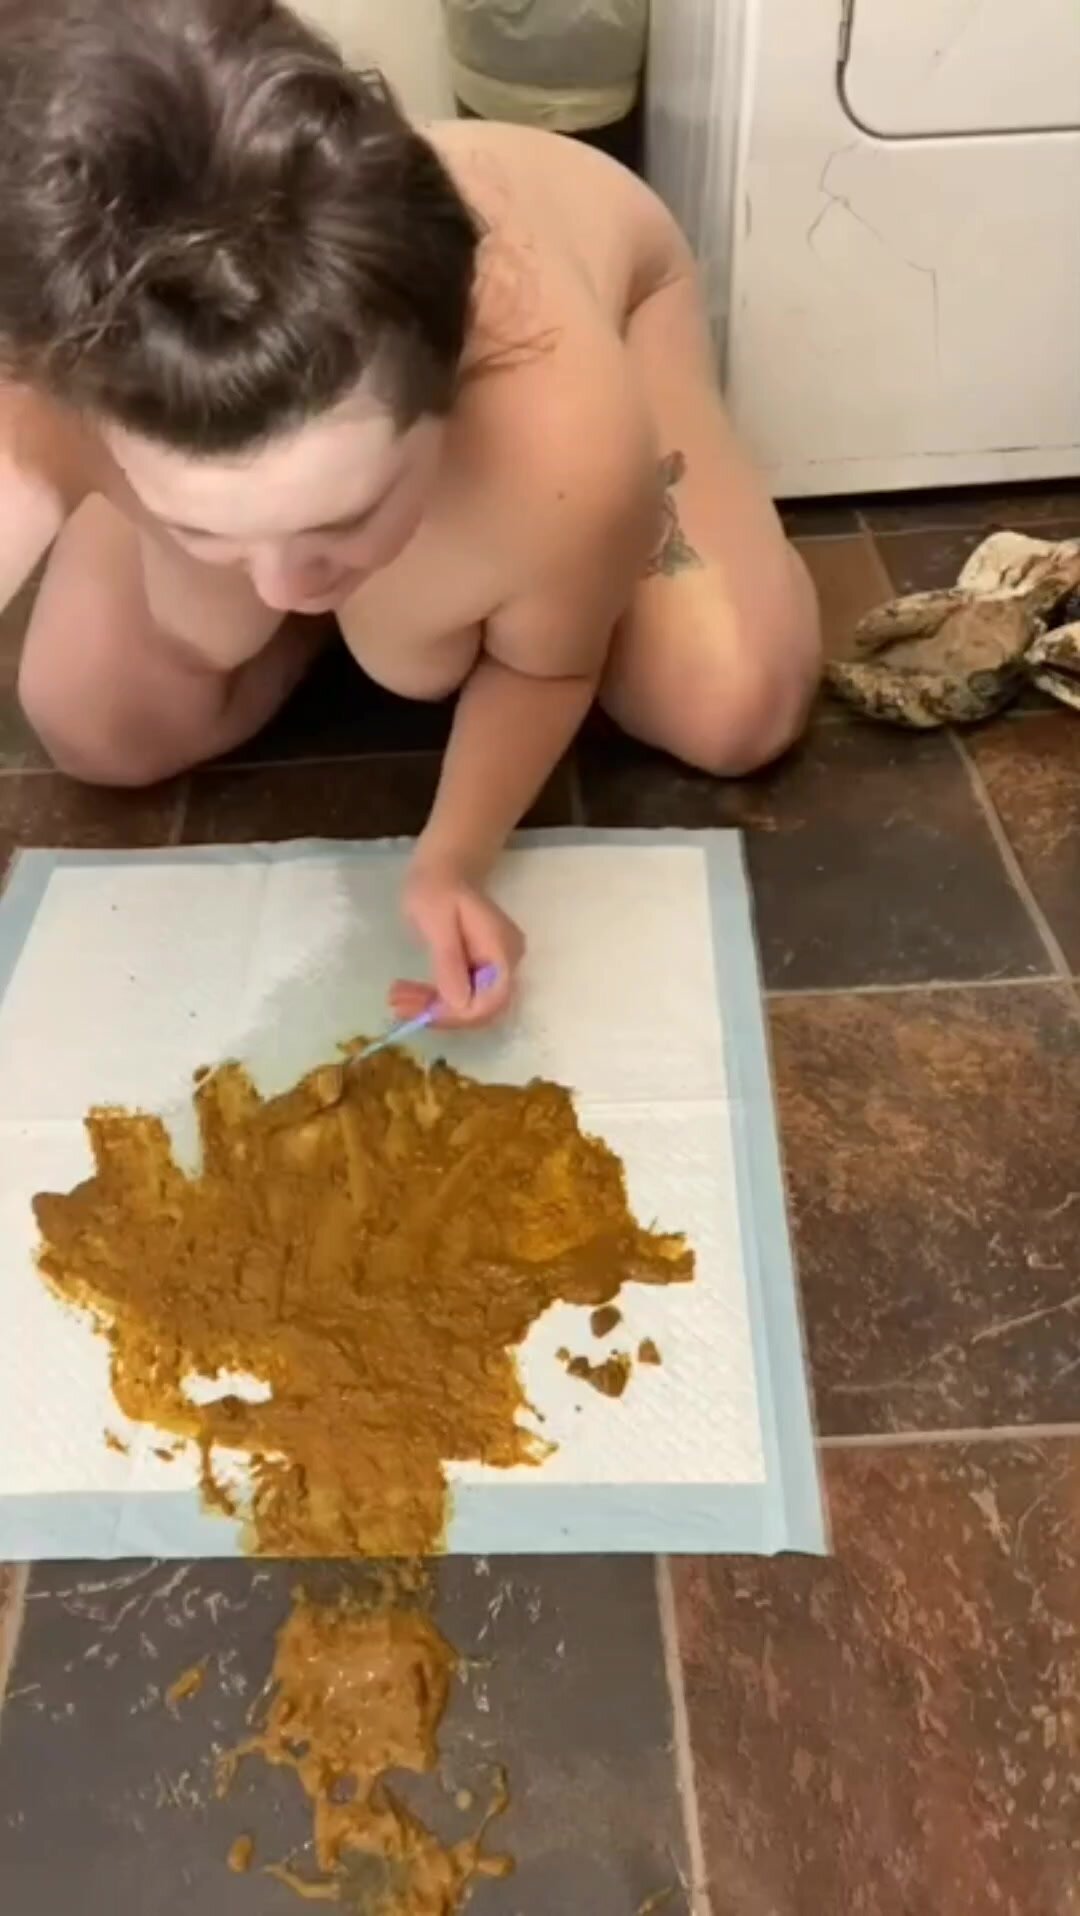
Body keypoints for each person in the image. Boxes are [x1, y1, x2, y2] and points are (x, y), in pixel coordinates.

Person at [0, 0, 820, 1027]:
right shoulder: (46, 373)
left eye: (345, 515)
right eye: (208, 527)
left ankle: (436, 575)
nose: (284, 585)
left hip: (577, 283)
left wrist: (453, 860)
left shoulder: (556, 432)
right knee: (96, 724)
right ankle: (316, 553)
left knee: (733, 701)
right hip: (259, 356)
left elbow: (545, 669)